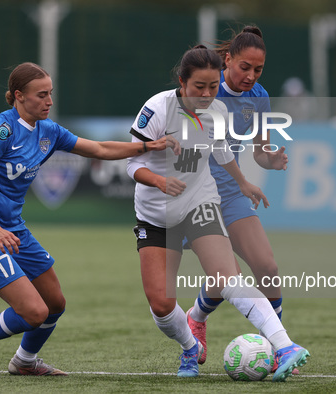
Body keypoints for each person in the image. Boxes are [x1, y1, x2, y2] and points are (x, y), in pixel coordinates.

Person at [0, 62, 171, 377]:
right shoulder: (1, 131)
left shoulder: (48, 131)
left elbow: (98, 148)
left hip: (14, 231)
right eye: (41, 95)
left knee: (55, 303)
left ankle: (24, 361)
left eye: (50, 93)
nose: (49, 101)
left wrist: (147, 146)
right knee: (34, 312)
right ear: (19, 96)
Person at [127, 45, 309, 381]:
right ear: (182, 82)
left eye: (212, 87)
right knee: (162, 306)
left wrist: (243, 184)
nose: (207, 94)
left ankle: (285, 346)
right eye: (199, 87)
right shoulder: (157, 108)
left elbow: (223, 151)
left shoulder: (216, 112)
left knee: (230, 278)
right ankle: (189, 347)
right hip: (156, 216)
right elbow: (133, 162)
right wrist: (159, 180)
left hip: (201, 204)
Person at [184, 26, 293, 373]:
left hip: (231, 193)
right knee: (227, 273)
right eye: (245, 66)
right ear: (227, 59)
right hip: (196, 194)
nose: (250, 76)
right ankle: (195, 319)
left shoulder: (259, 96)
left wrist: (270, 159)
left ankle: (278, 348)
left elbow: (259, 152)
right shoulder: (206, 88)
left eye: (258, 70)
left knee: (267, 268)